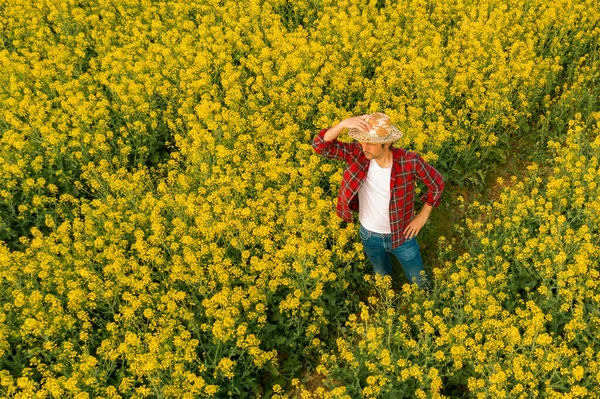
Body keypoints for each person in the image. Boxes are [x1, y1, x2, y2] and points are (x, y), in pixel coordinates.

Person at [312, 112, 445, 288]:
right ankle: (386, 303)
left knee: (419, 281)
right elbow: (320, 146)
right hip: (369, 234)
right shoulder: (357, 154)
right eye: (362, 140)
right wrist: (343, 124)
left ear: (387, 143)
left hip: (403, 233)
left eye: (370, 142)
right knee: (382, 277)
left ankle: (424, 301)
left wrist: (422, 216)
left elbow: (437, 183)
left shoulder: (409, 161)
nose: (364, 146)